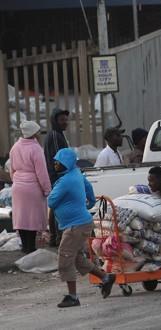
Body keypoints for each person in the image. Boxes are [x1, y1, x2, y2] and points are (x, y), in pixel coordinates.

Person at [48, 148, 115, 307]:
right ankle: (106, 278)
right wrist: (90, 202)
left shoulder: (65, 181)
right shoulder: (76, 174)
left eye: (59, 163)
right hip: (81, 223)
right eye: (55, 162)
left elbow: (51, 201)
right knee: (77, 258)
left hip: (75, 226)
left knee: (65, 259)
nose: (55, 165)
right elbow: (89, 189)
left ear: (67, 163)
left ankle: (73, 297)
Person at [9, 121, 51, 254]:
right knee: (32, 218)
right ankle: (31, 247)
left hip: (18, 187)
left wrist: (16, 181)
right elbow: (42, 172)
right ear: (34, 134)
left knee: (21, 218)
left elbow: (12, 170)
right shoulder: (36, 149)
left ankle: (25, 246)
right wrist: (47, 189)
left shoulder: (15, 147)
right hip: (32, 187)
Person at [44, 108, 70, 247]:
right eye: (62, 120)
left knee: (55, 207)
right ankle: (57, 238)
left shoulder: (58, 134)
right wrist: (63, 177)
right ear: (55, 121)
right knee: (58, 208)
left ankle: (56, 238)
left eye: (66, 120)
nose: (65, 122)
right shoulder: (55, 135)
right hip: (57, 177)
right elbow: (58, 160)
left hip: (58, 177)